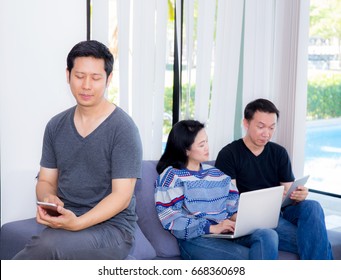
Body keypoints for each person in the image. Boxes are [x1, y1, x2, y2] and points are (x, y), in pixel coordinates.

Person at [13, 40, 143, 260]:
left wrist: (78, 223)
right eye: (80, 76)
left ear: (108, 79)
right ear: (68, 75)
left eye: (95, 78)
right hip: (67, 220)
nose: (86, 85)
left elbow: (121, 196)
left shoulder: (123, 128)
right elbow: (46, 180)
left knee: (47, 246)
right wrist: (48, 198)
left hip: (113, 229)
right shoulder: (55, 125)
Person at [215, 98, 333, 260]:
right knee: (315, 239)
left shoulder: (279, 153)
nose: (267, 133)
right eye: (261, 126)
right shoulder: (229, 155)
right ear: (246, 123)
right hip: (253, 220)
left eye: (272, 127)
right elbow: (230, 203)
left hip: (280, 212)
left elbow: (288, 194)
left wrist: (298, 195)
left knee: (312, 206)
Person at [154, 120, 279, 260]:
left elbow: (232, 208)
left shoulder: (217, 174)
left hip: (226, 233)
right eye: (202, 145)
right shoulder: (172, 176)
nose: (207, 147)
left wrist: (243, 219)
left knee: (268, 234)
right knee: (248, 258)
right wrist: (212, 228)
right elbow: (172, 220)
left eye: (207, 141)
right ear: (185, 150)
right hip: (196, 239)